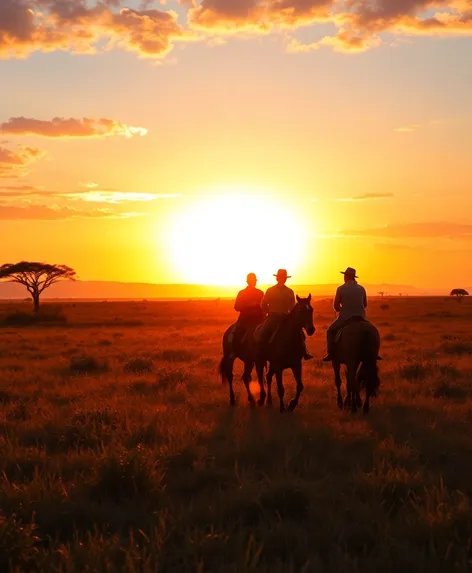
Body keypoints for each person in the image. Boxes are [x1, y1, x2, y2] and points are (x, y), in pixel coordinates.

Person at [258, 269, 313, 360]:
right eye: (282, 277)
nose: (283, 279)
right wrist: (269, 312)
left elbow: (291, 307)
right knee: (263, 332)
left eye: (283, 278)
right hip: (273, 317)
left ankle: (304, 352)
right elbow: (263, 305)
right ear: (278, 278)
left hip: (285, 317)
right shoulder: (271, 290)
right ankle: (261, 353)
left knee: (301, 334)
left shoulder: (289, 291)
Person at [323, 267, 367, 362]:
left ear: (346, 277)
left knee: (330, 331)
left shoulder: (341, 289)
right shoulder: (361, 288)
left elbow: (336, 306)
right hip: (361, 318)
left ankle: (330, 353)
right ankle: (374, 353)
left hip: (346, 318)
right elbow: (365, 304)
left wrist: (343, 309)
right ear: (354, 277)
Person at [231, 273, 265, 353]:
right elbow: (236, 307)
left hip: (258, 319)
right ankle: (234, 350)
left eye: (254, 281)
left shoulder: (260, 293)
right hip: (245, 319)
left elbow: (263, 306)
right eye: (253, 281)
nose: (254, 282)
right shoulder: (242, 293)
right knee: (237, 332)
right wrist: (249, 305)